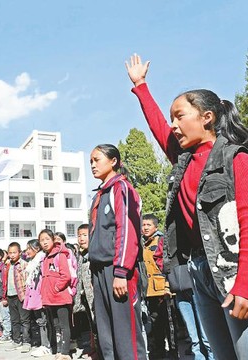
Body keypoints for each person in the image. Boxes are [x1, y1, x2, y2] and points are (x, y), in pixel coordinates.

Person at [126, 54, 248, 359]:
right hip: (198, 270)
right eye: (172, 119)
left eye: (180, 116)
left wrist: (246, 284)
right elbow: (158, 128)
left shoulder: (234, 157)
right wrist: (140, 85)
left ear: (206, 117)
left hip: (234, 273)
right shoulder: (183, 162)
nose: (174, 125)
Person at [89, 144, 147, 360]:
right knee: (106, 336)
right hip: (99, 271)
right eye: (90, 162)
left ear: (113, 161)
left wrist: (121, 272)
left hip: (118, 271)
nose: (93, 165)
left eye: (97, 159)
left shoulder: (121, 188)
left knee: (126, 337)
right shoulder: (99, 195)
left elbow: (127, 229)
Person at [141, 214, 180, 359]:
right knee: (155, 321)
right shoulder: (142, 243)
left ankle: (174, 351)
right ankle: (159, 350)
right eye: (143, 225)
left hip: (163, 288)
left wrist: (168, 285)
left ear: (155, 227)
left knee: (169, 321)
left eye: (148, 225)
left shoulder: (161, 240)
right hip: (149, 290)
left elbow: (167, 264)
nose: (145, 228)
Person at [39, 229, 74, 360]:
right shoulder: (44, 258)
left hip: (60, 298)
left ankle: (65, 352)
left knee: (64, 325)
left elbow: (66, 276)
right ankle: (59, 350)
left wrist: (55, 288)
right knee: (56, 325)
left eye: (47, 239)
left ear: (53, 240)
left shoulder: (60, 255)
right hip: (49, 299)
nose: (44, 242)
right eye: (42, 240)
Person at [72, 223, 98, 360]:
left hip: (95, 296)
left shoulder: (95, 254)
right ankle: (95, 349)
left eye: (84, 235)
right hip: (85, 296)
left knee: (98, 323)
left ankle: (100, 351)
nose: (81, 238)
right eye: (79, 235)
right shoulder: (81, 255)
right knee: (91, 323)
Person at [23, 239, 52, 358]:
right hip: (34, 294)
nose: (27, 251)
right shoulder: (32, 262)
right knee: (40, 320)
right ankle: (44, 344)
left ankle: (47, 345)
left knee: (43, 321)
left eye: (30, 248)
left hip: (40, 294)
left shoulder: (41, 260)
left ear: (37, 249)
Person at [3, 242, 31, 353]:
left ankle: (26, 341)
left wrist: (26, 295)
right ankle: (16, 340)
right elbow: (4, 281)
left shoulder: (24, 264)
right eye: (10, 253)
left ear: (20, 252)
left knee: (24, 320)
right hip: (10, 296)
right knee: (14, 320)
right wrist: (4, 296)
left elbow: (27, 279)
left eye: (15, 252)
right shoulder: (7, 265)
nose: (12, 255)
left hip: (21, 296)